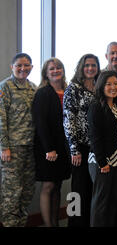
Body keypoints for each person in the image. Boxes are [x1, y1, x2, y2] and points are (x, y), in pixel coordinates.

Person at [32, 58, 71, 227]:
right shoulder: (43, 93)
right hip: (47, 147)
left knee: (57, 185)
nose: (56, 71)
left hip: (64, 147)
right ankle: (48, 225)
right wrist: (49, 149)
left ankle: (55, 223)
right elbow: (40, 122)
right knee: (48, 186)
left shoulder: (68, 91)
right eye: (52, 68)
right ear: (46, 73)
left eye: (59, 67)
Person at [63, 53, 100, 227]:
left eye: (93, 65)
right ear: (81, 67)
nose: (90, 68)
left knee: (92, 190)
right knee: (77, 191)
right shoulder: (73, 88)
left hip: (96, 148)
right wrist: (74, 149)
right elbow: (68, 120)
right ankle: (74, 224)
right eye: (87, 65)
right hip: (79, 148)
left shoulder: (99, 87)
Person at [88, 71, 117, 227]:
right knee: (101, 202)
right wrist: (101, 161)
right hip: (101, 162)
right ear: (101, 86)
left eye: (116, 83)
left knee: (113, 201)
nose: (113, 87)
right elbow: (94, 136)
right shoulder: (96, 106)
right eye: (109, 84)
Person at [0, 53, 36, 227]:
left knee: (27, 192)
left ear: (32, 67)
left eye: (27, 65)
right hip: (12, 149)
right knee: (11, 193)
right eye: (19, 65)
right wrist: (4, 147)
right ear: (12, 67)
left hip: (30, 148)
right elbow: (1, 119)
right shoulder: (5, 87)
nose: (23, 68)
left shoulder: (33, 88)